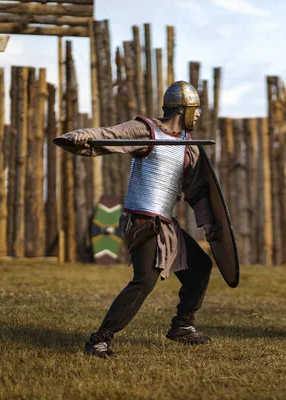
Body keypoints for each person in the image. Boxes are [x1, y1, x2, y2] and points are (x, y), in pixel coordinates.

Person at [56, 81, 220, 358]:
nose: (199, 115)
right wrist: (81, 136)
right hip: (143, 221)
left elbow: (197, 193)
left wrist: (212, 227)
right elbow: (109, 136)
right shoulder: (146, 130)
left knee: (200, 267)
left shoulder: (187, 146)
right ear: (183, 110)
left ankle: (182, 326)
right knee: (144, 280)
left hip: (166, 224)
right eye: (196, 109)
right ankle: (100, 340)